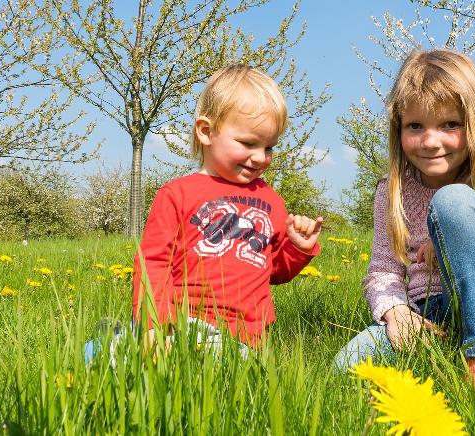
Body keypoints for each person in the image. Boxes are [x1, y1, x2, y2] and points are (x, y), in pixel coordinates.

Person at [333, 49, 475, 396]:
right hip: (427, 315)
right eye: (415, 126)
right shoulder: (391, 189)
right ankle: (443, 351)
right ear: (398, 128)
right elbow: (383, 271)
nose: (430, 141)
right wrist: (396, 311)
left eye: (450, 125)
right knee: (346, 370)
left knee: (453, 202)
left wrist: (473, 242)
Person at [87, 65, 323, 363]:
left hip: (247, 339)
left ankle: (121, 343)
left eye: (269, 147)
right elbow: (153, 263)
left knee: (227, 374)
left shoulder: (271, 202)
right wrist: (153, 326)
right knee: (169, 366)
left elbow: (273, 270)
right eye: (248, 143)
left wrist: (298, 249)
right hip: (181, 323)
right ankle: (114, 344)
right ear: (206, 131)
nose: (260, 157)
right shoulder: (177, 194)